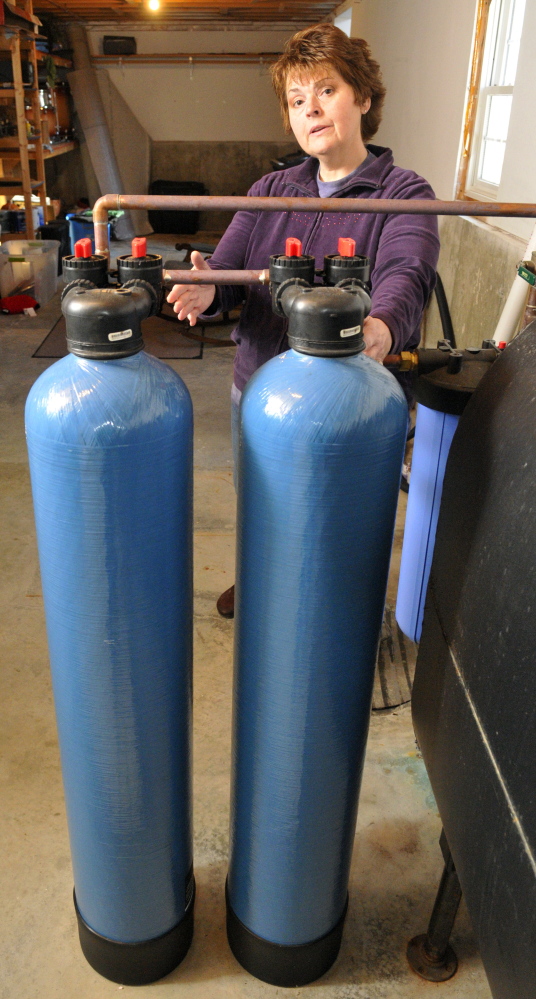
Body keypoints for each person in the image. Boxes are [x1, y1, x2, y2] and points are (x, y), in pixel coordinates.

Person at [167, 23, 440, 618]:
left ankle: (327, 621)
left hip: (347, 401)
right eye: (297, 101)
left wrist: (383, 325)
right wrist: (203, 288)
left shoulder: (404, 192)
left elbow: (406, 273)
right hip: (259, 389)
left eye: (326, 91)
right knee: (261, 501)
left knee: (334, 515)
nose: (311, 110)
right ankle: (262, 581)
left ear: (363, 98)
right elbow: (229, 271)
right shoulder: (270, 188)